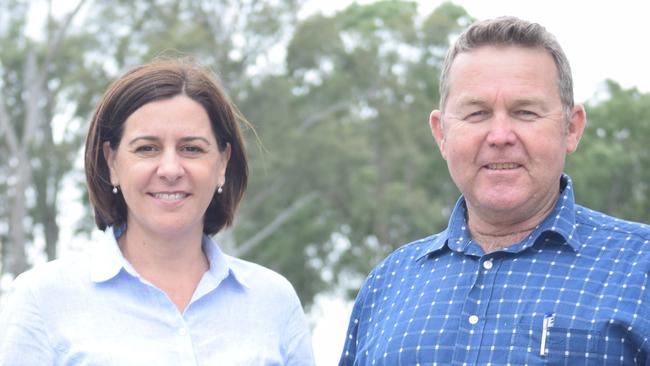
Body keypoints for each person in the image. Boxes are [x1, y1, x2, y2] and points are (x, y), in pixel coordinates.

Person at [339, 16, 650, 365]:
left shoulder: (641, 269)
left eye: (526, 112)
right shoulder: (387, 285)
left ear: (571, 128)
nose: (500, 135)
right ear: (441, 133)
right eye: (476, 113)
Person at [0, 59, 315, 365]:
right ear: (111, 162)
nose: (170, 169)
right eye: (146, 148)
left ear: (222, 163)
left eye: (191, 148)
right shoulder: (42, 300)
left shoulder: (274, 302)